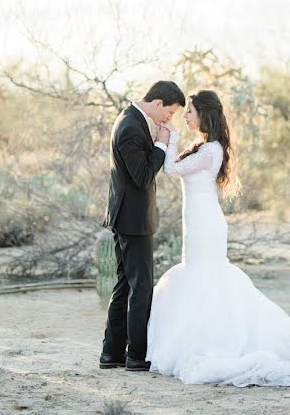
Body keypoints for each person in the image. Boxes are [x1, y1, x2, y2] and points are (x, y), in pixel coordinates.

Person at [146, 90, 290, 386]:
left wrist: (167, 136)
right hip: (197, 223)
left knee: (207, 277)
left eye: (190, 112)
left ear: (204, 114)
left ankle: (214, 341)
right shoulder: (205, 145)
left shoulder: (211, 150)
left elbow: (170, 169)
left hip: (206, 225)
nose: (185, 117)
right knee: (199, 276)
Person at [99, 81, 185, 372]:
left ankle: (111, 354)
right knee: (142, 287)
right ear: (158, 103)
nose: (169, 119)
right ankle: (136, 355)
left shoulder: (132, 119)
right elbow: (142, 175)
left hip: (128, 216)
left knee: (125, 285)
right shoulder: (130, 127)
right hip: (133, 219)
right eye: (170, 112)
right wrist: (161, 144)